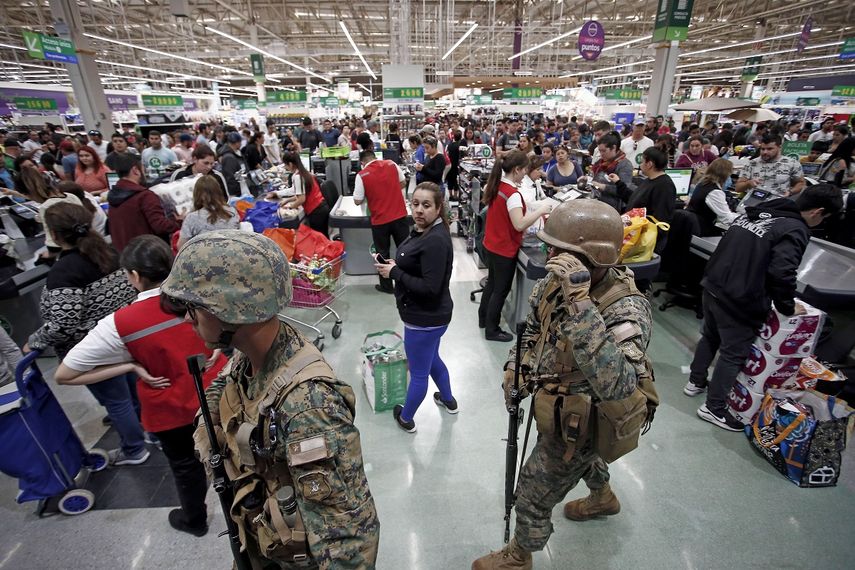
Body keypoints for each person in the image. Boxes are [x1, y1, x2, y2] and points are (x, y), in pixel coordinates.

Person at [159, 230, 380, 567]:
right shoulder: (251, 355)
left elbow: (348, 538)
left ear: (230, 309)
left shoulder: (308, 405)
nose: (188, 317)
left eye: (194, 306)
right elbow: (224, 389)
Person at [472, 199, 654, 570]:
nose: (551, 255)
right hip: (557, 403)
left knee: (533, 492)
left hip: (589, 415)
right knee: (583, 459)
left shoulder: (626, 309)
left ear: (595, 258)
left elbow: (618, 385)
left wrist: (581, 306)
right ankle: (602, 496)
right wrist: (516, 367)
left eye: (562, 251)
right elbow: (535, 332)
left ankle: (519, 556)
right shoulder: (553, 284)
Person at [55, 235, 227, 536]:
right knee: (231, 451)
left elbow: (65, 374)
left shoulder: (121, 322)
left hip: (172, 408)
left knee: (186, 465)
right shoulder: (202, 293)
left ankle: (195, 520)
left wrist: (129, 365)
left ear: (135, 276)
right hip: (219, 393)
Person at [685, 184, 844, 430]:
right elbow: (782, 270)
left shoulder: (760, 211)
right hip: (740, 298)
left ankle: (695, 382)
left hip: (713, 284)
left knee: (710, 336)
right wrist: (787, 306)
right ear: (818, 211)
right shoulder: (795, 228)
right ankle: (714, 408)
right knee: (732, 353)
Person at [25, 203, 146, 465]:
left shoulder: (65, 272)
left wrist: (34, 341)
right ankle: (144, 432)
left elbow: (63, 323)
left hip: (92, 349)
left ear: (54, 235)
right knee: (129, 392)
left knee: (117, 401)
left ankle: (134, 449)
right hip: (121, 336)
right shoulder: (109, 253)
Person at [374, 182, 456, 433]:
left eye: (427, 205)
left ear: (439, 207)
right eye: (415, 204)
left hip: (424, 318)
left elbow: (430, 287)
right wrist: (396, 266)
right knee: (432, 360)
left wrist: (395, 272)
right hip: (433, 318)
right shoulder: (424, 230)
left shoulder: (435, 241)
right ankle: (449, 400)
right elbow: (420, 267)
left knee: (419, 373)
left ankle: (406, 418)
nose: (419, 210)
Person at [479, 150, 552, 342]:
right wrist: (542, 210)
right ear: (517, 169)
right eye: (525, 169)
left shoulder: (499, 186)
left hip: (492, 244)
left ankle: (483, 319)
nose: (526, 173)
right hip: (504, 249)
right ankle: (492, 330)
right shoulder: (512, 194)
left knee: (492, 284)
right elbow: (519, 224)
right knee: (500, 290)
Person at [354, 150, 408, 293]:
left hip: (380, 220)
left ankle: (387, 286)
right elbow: (403, 182)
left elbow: (357, 200)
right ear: (375, 157)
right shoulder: (392, 164)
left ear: (362, 163)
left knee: (382, 254)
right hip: (399, 215)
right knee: (405, 250)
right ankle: (408, 282)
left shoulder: (362, 175)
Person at [107, 153, 181, 252]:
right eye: (142, 168)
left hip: (125, 255)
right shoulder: (144, 196)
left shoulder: (113, 196)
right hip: (147, 254)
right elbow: (160, 226)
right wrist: (178, 222)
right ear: (135, 170)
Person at [609, 147, 677, 241]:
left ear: (649, 164)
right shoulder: (649, 180)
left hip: (644, 240)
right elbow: (634, 199)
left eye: (642, 161)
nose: (640, 165)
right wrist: (618, 183)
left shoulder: (664, 186)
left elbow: (660, 222)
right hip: (634, 233)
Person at [270, 151, 330, 236]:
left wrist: (289, 208)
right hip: (322, 208)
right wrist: (287, 200)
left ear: (290, 164)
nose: (286, 168)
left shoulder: (298, 177)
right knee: (323, 237)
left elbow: (301, 199)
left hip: (316, 212)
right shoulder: (305, 172)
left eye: (286, 165)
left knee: (320, 240)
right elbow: (299, 191)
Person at [176, 175, 240, 249]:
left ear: (197, 195)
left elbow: (181, 247)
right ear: (219, 191)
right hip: (232, 255)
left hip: (204, 258)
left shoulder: (192, 218)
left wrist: (184, 222)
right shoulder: (232, 211)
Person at [735, 135, 804, 198]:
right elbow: (738, 188)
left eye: (770, 149)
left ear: (779, 147)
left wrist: (790, 192)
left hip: (779, 202)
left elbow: (801, 183)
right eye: (762, 149)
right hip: (755, 202)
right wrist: (748, 183)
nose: (765, 152)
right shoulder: (751, 163)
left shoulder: (792, 163)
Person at [685, 158, 738, 236]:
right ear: (725, 175)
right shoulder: (715, 192)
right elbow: (726, 218)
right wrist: (742, 217)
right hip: (701, 228)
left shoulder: (702, 184)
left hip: (691, 226)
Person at [589, 134, 635, 212]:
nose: (601, 154)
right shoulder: (600, 162)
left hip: (613, 208)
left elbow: (624, 191)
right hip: (597, 201)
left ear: (613, 148)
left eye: (604, 151)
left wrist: (602, 186)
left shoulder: (625, 165)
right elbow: (594, 177)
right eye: (600, 151)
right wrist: (588, 179)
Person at [219, 132, 249, 197]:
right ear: (237, 143)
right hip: (237, 193)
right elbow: (231, 178)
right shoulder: (229, 157)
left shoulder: (236, 153)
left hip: (241, 189)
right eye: (240, 142)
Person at [447, 130, 462, 200]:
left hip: (449, 165)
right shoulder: (459, 146)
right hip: (456, 166)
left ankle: (450, 195)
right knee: (456, 181)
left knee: (450, 181)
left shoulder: (450, 145)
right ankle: (455, 196)